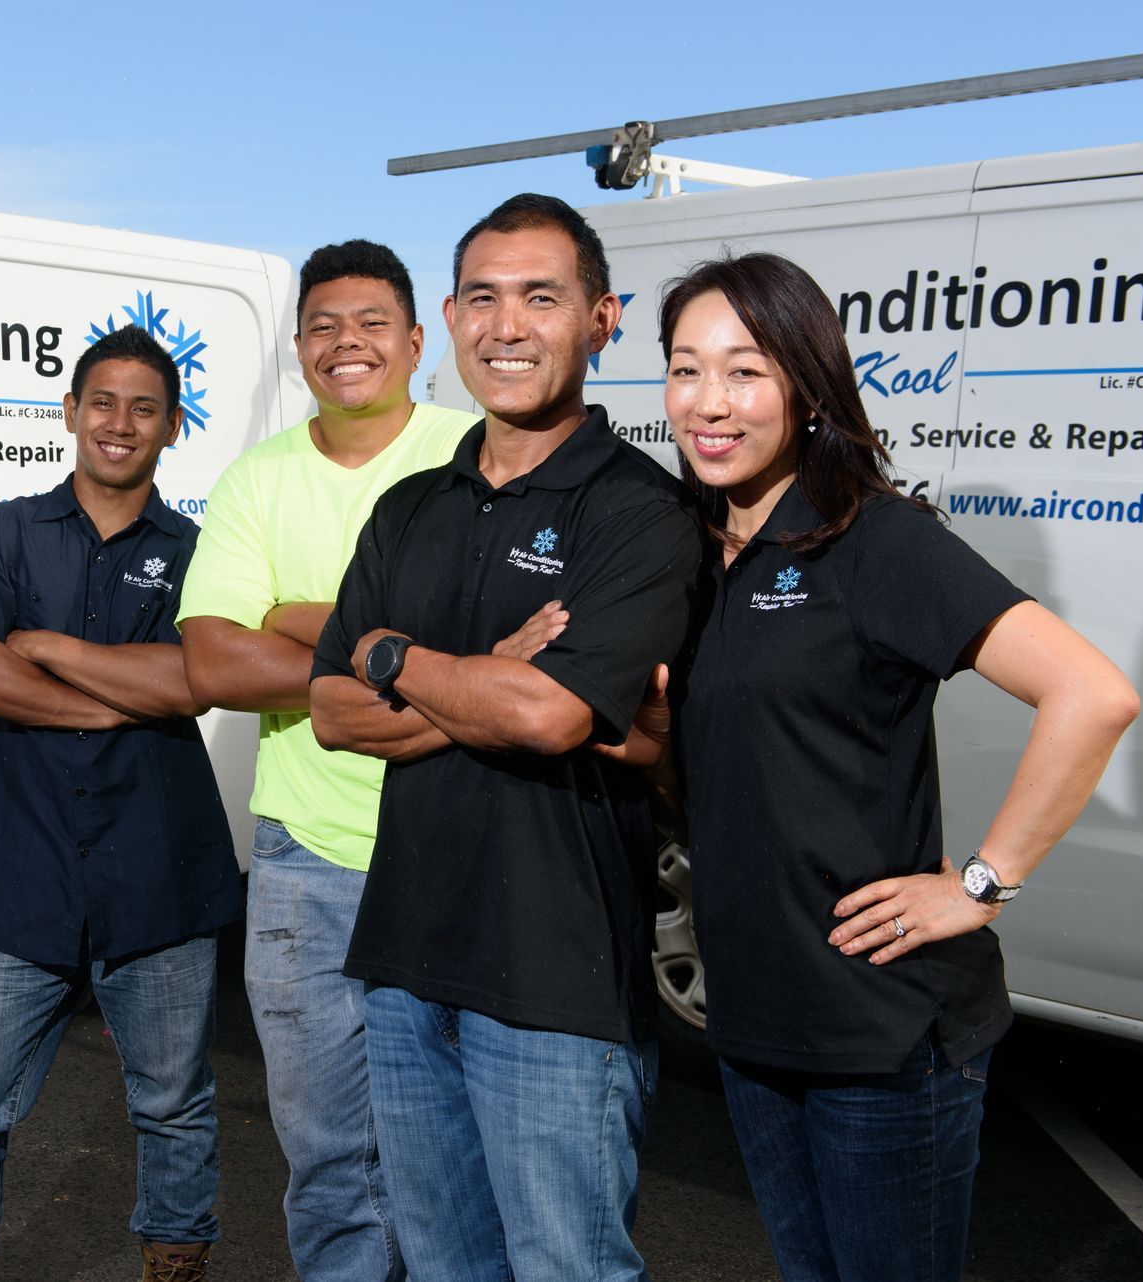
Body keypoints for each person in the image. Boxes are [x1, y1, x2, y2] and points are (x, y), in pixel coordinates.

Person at [649, 251, 1140, 1282]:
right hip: (752, 1017)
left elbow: (1093, 694)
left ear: (806, 382)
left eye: (744, 370)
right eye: (686, 368)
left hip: (881, 1031)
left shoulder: (871, 541)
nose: (710, 401)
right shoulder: (690, 550)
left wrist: (982, 884)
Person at [308, 193, 701, 1282]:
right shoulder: (409, 508)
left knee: (567, 1267)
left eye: (541, 296)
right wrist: (489, 676)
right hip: (403, 961)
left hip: (558, 981)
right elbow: (331, 713)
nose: (507, 324)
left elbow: (550, 716)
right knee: (441, 1264)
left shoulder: (642, 513)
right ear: (450, 314)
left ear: (602, 318)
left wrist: (396, 658)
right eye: (482, 296)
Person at [0, 325, 243, 1282]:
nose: (120, 424)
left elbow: (192, 681)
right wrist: (109, 704)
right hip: (21, 871)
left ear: (173, 427)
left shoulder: (198, 551)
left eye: (144, 408)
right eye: (103, 403)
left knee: (174, 1104)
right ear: (71, 414)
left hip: (159, 872)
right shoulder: (0, 531)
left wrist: (44, 649)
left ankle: (174, 1263)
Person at [176, 239, 475, 1281]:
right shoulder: (259, 475)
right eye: (323, 326)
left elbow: (516, 641)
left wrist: (302, 622)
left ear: (415, 338)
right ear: (299, 344)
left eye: (370, 324)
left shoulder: (474, 450)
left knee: (449, 1157)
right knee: (327, 1156)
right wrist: (390, 649)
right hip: (307, 858)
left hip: (462, 845)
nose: (346, 344)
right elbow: (213, 656)